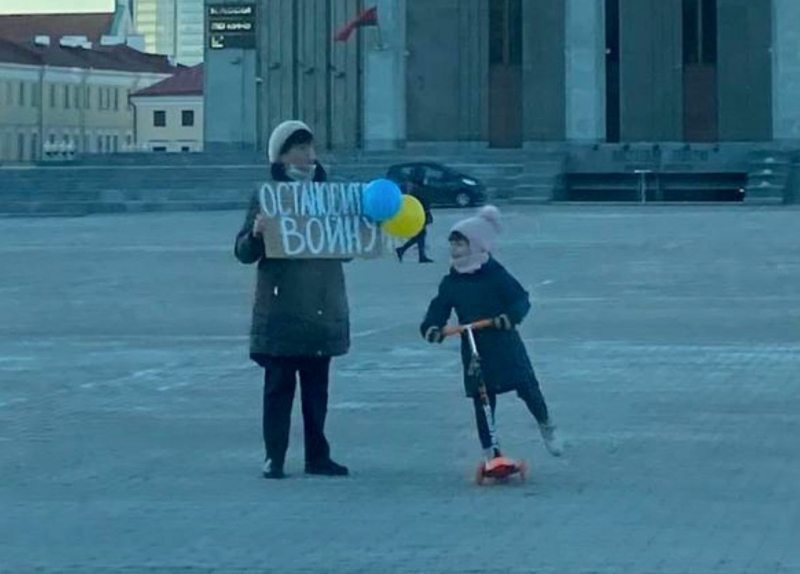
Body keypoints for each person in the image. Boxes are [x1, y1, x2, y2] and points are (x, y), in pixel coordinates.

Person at [234, 120, 350, 479]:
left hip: (321, 306)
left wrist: (359, 227)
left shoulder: (330, 194)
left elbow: (345, 246)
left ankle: (318, 455)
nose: (307, 156)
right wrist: (255, 234)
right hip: (281, 309)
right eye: (298, 149)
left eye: (310, 148)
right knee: (279, 388)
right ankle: (275, 456)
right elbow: (243, 252)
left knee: (317, 391)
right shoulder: (267, 197)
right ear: (281, 157)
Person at [419, 205, 564, 460]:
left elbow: (520, 300)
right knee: (483, 397)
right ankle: (491, 452)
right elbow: (439, 307)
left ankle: (546, 424)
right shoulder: (451, 282)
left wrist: (509, 318)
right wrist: (432, 327)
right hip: (474, 345)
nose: (454, 249)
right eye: (452, 244)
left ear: (475, 245)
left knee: (527, 386)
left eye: (460, 244)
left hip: (503, 341)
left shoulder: (495, 275)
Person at [396, 168, 433, 263]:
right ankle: (404, 250)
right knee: (420, 234)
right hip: (419, 214)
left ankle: (418, 254)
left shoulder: (411, 186)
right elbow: (423, 201)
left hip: (418, 213)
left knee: (421, 234)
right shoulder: (417, 188)